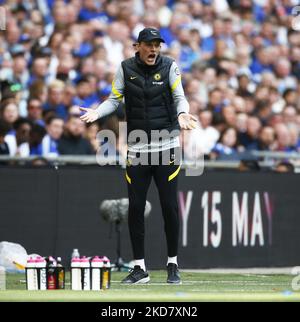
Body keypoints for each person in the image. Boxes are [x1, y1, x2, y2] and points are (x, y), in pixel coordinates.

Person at [80, 27, 197, 284]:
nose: (154, 49)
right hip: (137, 148)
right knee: (135, 207)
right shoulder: (125, 68)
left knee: (169, 206)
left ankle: (172, 264)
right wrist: (98, 113)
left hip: (166, 146)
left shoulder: (170, 66)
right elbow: (114, 99)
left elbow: (180, 97)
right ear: (138, 46)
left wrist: (182, 114)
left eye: (157, 44)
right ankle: (139, 268)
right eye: (149, 44)